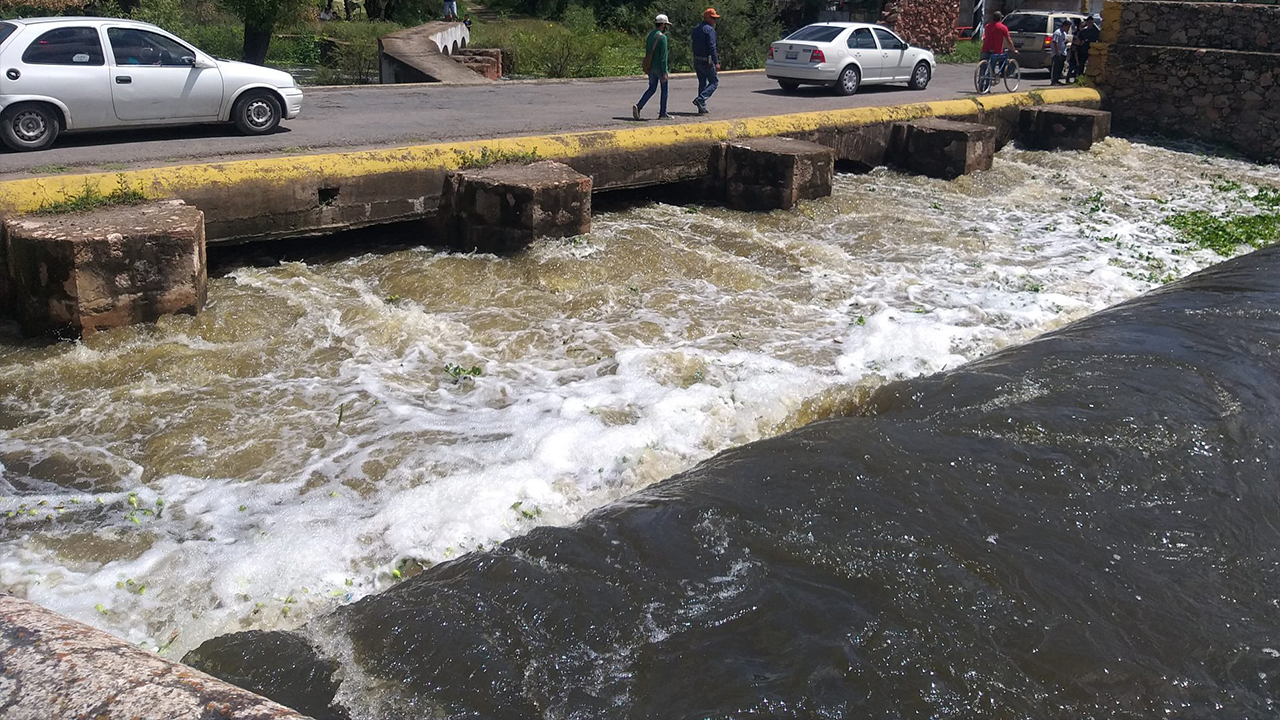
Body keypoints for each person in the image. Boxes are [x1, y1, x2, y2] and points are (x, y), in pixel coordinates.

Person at [633, 14, 672, 120]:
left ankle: (639, 106)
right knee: (664, 90)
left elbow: (648, 52)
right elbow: (663, 56)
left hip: (651, 67)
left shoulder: (650, 35)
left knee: (651, 88)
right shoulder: (662, 37)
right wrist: (664, 72)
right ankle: (663, 113)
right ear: (663, 25)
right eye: (666, 25)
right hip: (659, 68)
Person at [691, 8, 720, 115]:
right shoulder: (710, 30)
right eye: (713, 18)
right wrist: (716, 62)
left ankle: (701, 107)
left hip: (697, 59)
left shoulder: (696, 29)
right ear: (707, 18)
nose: (714, 21)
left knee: (702, 83)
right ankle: (701, 99)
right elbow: (712, 47)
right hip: (707, 61)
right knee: (714, 82)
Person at [1074, 14, 1100, 79]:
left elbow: (1095, 38)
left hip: (1091, 49)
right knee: (1080, 63)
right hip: (1083, 50)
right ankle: (1079, 76)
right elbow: (1079, 38)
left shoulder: (1095, 31)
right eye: (1088, 22)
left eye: (1091, 22)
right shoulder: (1083, 31)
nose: (1089, 24)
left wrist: (1086, 41)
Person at [1049, 18, 1070, 84]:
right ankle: (1053, 80)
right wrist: (1057, 52)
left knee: (1060, 67)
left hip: (1063, 52)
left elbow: (1062, 42)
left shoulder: (1064, 33)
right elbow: (1055, 42)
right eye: (1068, 27)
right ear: (1065, 26)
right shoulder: (1057, 33)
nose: (1068, 29)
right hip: (1057, 53)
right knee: (1055, 67)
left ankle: (1057, 79)